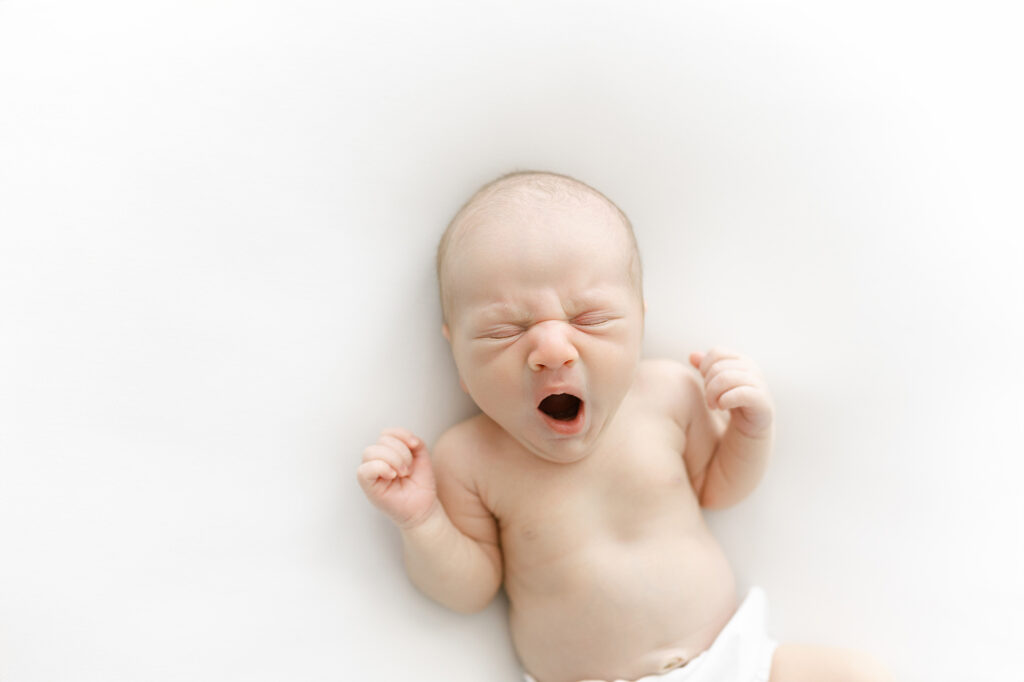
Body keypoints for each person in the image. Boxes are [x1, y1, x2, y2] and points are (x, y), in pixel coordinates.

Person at [356, 171, 892, 682]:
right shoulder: (469, 458)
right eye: (504, 331)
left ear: (639, 320)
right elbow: (469, 589)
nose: (551, 349)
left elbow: (719, 488)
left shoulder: (668, 395)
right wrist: (421, 521)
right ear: (458, 358)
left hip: (732, 660)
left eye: (588, 319)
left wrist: (750, 429)